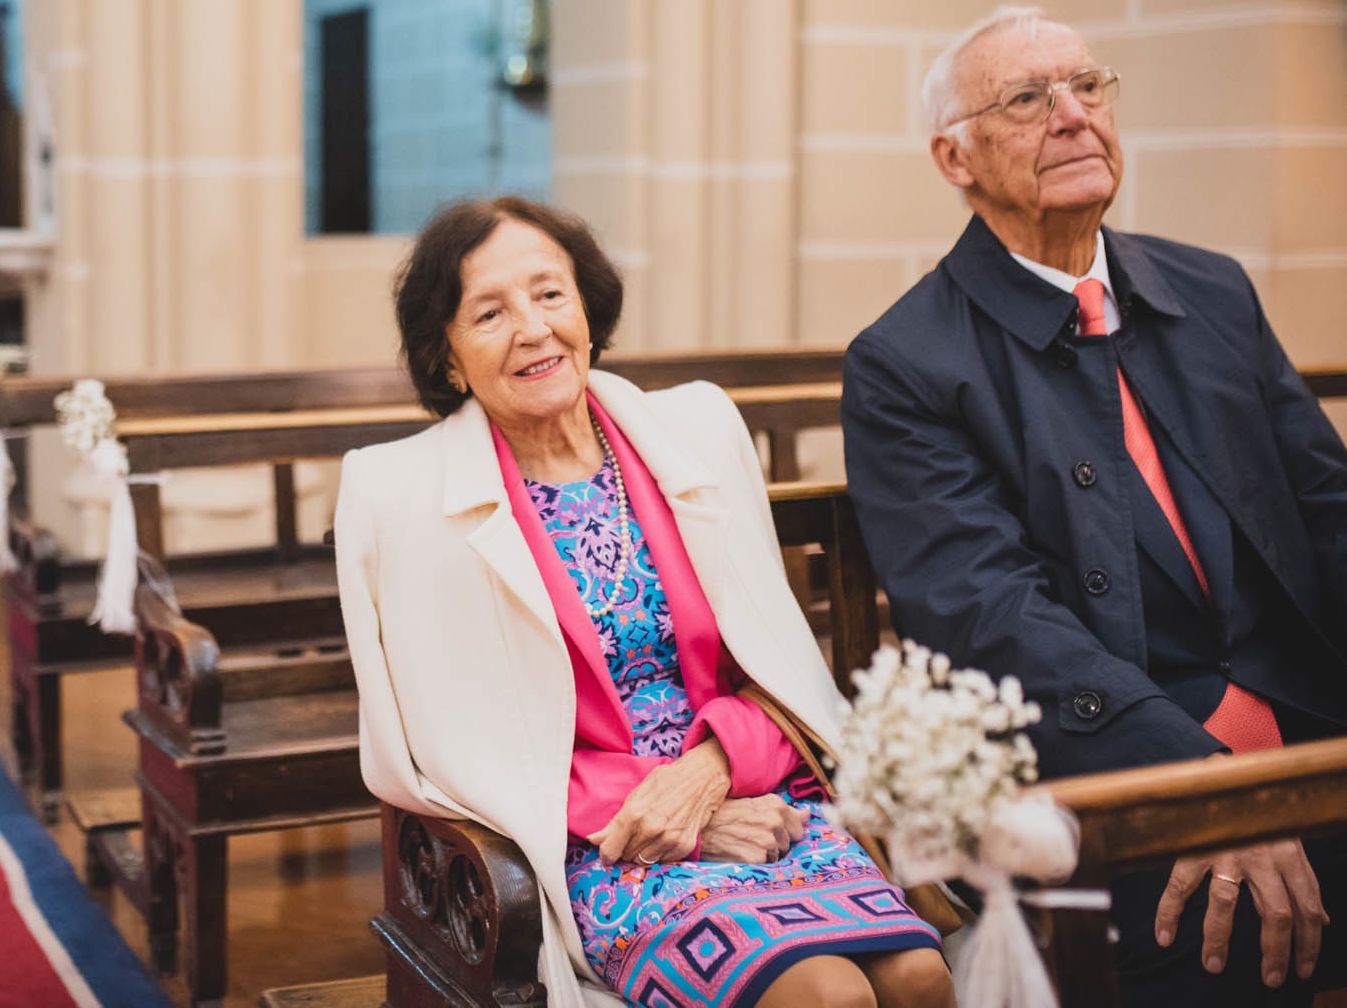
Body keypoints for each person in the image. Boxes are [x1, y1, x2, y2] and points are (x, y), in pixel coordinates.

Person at [841, 5, 1347, 1006]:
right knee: (1215, 927)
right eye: (1025, 98)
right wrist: (1207, 791)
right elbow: (992, 622)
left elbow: (1342, 521)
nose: (1069, 114)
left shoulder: (1210, 289)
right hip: (1112, 776)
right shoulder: (905, 363)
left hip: (1317, 728)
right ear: (953, 158)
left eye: (1086, 86)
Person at [335, 197, 953, 1008]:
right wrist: (670, 813)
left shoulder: (693, 430)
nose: (533, 327)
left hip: (759, 798)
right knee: (825, 996)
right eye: (490, 312)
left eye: (551, 294)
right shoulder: (400, 495)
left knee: (919, 976)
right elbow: (456, 749)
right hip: (601, 842)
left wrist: (714, 772)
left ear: (587, 307)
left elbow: (778, 664)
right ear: (447, 359)